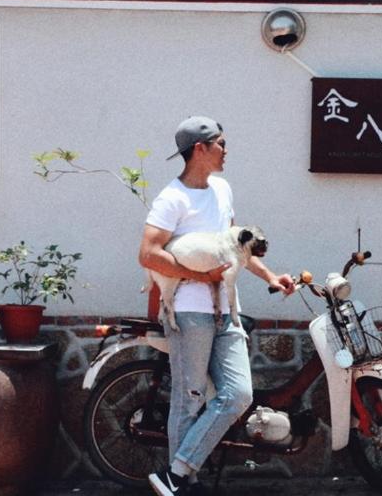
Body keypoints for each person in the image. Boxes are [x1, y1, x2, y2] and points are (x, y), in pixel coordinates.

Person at [139, 116, 295, 496]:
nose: (227, 150)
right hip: (189, 311)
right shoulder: (172, 198)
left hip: (226, 311)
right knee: (189, 399)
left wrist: (271, 277)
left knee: (238, 394)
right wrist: (199, 277)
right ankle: (183, 485)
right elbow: (148, 254)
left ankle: (175, 473)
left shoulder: (222, 191)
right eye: (221, 143)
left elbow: (236, 250)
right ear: (200, 149)